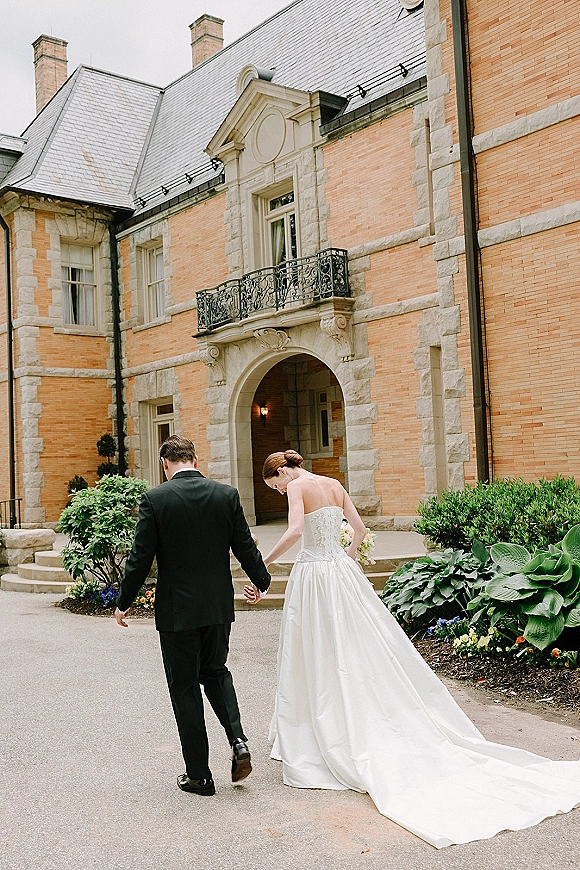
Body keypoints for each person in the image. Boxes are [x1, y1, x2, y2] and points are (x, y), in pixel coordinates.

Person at [244, 449, 580, 849]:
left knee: (314, 651)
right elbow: (360, 530)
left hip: (315, 575)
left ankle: (322, 724)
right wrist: (345, 559)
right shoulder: (333, 483)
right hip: (341, 573)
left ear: (283, 472)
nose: (281, 491)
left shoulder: (299, 485)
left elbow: (297, 530)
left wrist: (261, 566)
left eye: (275, 485)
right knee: (358, 648)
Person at [115, 435, 270, 797]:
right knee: (216, 671)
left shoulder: (155, 499)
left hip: (177, 610)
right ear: (196, 460)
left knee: (185, 686)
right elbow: (245, 546)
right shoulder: (226, 495)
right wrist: (261, 582)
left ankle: (199, 776)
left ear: (165, 464)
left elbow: (141, 557)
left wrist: (123, 601)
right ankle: (238, 739)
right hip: (217, 606)